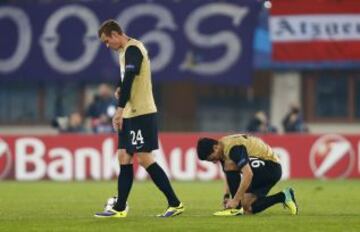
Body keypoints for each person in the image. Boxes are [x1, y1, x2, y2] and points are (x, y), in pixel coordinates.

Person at [95, 19, 184, 218]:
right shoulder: (124, 52)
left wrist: (118, 109)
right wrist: (119, 90)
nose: (107, 45)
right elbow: (124, 77)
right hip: (131, 112)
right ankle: (119, 207)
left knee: (144, 158)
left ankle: (175, 203)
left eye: (107, 41)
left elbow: (129, 78)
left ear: (116, 34)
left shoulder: (134, 49)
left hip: (141, 112)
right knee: (123, 156)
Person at [196, 134, 298, 216]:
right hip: (264, 169)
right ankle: (284, 196)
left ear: (215, 147)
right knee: (247, 207)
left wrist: (235, 200)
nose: (213, 162)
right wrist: (226, 196)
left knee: (230, 164)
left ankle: (236, 208)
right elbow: (228, 174)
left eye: (212, 158)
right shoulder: (222, 147)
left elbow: (248, 174)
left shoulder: (233, 148)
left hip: (270, 167)